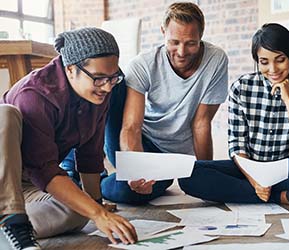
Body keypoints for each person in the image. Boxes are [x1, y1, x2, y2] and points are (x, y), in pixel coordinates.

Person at [60, 2, 228, 205]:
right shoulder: (144, 64)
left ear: (201, 36)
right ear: (163, 32)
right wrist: (138, 170)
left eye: (191, 43)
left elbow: (201, 123)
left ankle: (108, 179)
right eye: (174, 42)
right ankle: (83, 172)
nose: (182, 52)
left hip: (169, 158)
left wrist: (205, 174)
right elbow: (131, 127)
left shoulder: (216, 59)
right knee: (115, 78)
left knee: (130, 193)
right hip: (139, 140)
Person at [0, 27, 137, 250]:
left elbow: (90, 155)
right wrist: (99, 214)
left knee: (80, 210)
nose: (108, 86)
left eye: (113, 78)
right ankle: (13, 224)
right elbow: (44, 169)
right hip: (7, 181)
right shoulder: (34, 94)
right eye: (99, 78)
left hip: (29, 187)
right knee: (3, 114)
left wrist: (97, 207)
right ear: (71, 69)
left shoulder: (98, 93)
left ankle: (7, 230)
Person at [179, 23, 289, 208]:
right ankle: (280, 197)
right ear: (257, 61)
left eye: (279, 59)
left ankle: (252, 193)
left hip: (286, 169)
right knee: (188, 174)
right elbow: (237, 147)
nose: (273, 69)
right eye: (264, 62)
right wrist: (255, 180)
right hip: (249, 167)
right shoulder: (241, 88)